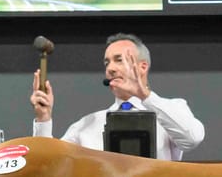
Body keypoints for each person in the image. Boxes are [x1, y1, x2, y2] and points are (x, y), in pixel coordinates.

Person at [29, 33, 205, 161]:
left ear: (142, 67)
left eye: (118, 60)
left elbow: (192, 139)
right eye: (107, 62)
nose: (110, 69)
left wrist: (144, 95)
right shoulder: (87, 124)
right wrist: (43, 119)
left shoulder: (172, 109)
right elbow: (50, 163)